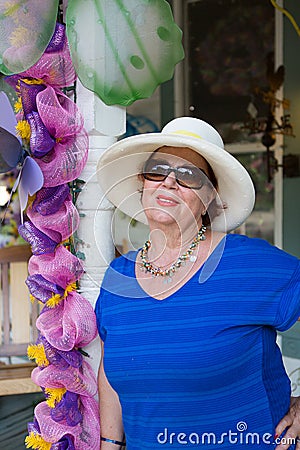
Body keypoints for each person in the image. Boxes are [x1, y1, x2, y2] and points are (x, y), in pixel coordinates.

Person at [95, 117, 300, 449]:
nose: (169, 182)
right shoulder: (117, 276)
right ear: (142, 184)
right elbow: (110, 373)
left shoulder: (251, 263)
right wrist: (109, 444)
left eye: (189, 175)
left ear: (209, 198)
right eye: (157, 170)